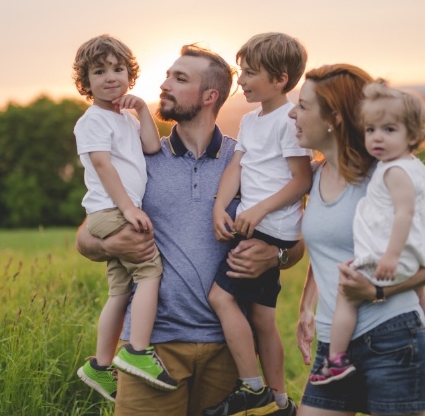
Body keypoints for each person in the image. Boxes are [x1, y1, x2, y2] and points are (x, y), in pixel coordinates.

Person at [75, 43, 305, 416]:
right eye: (166, 75)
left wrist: (275, 255)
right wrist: (113, 243)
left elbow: (293, 241)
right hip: (152, 349)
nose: (164, 85)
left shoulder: (247, 159)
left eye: (179, 79)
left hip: (228, 351)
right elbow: (86, 236)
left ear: (210, 96)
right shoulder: (139, 157)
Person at [289, 64, 425, 416]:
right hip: (333, 346)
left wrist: (378, 292)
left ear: (333, 118)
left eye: (303, 106)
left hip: (392, 339)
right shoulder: (316, 176)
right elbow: (328, 248)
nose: (293, 112)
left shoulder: (385, 177)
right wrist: (307, 307)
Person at [205, 33, 312, 416]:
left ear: (281, 78)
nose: (243, 81)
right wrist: (221, 206)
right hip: (256, 221)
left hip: (270, 228)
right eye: (241, 72)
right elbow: (238, 165)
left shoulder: (290, 120)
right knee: (263, 317)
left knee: (221, 297)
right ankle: (280, 399)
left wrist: (258, 211)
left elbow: (301, 180)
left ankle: (253, 390)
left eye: (251, 73)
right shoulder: (250, 120)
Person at [72, 34, 176, 402]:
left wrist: (144, 111)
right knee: (150, 272)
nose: (110, 77)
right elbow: (102, 165)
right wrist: (130, 209)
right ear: (86, 81)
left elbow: (151, 146)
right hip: (110, 211)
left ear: (130, 75)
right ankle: (137, 351)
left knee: (120, 289)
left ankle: (101, 365)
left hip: (115, 211)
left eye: (117, 69)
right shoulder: (93, 120)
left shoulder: (126, 119)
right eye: (99, 71)